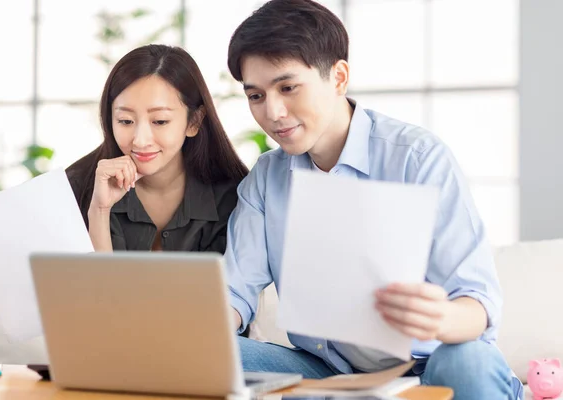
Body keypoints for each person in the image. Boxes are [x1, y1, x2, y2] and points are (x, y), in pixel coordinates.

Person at [223, 1, 521, 398]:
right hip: (327, 368)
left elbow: (478, 306)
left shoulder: (417, 158)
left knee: (468, 360)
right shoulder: (267, 177)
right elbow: (234, 293)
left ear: (339, 77)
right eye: (256, 96)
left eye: (288, 87)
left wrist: (440, 317)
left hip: (429, 365)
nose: (273, 112)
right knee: (218, 354)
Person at [66, 44, 248, 254]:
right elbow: (91, 286)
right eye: (125, 121)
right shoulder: (76, 188)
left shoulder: (234, 197)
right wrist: (99, 210)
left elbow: (236, 285)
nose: (141, 141)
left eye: (160, 121)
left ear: (194, 122)